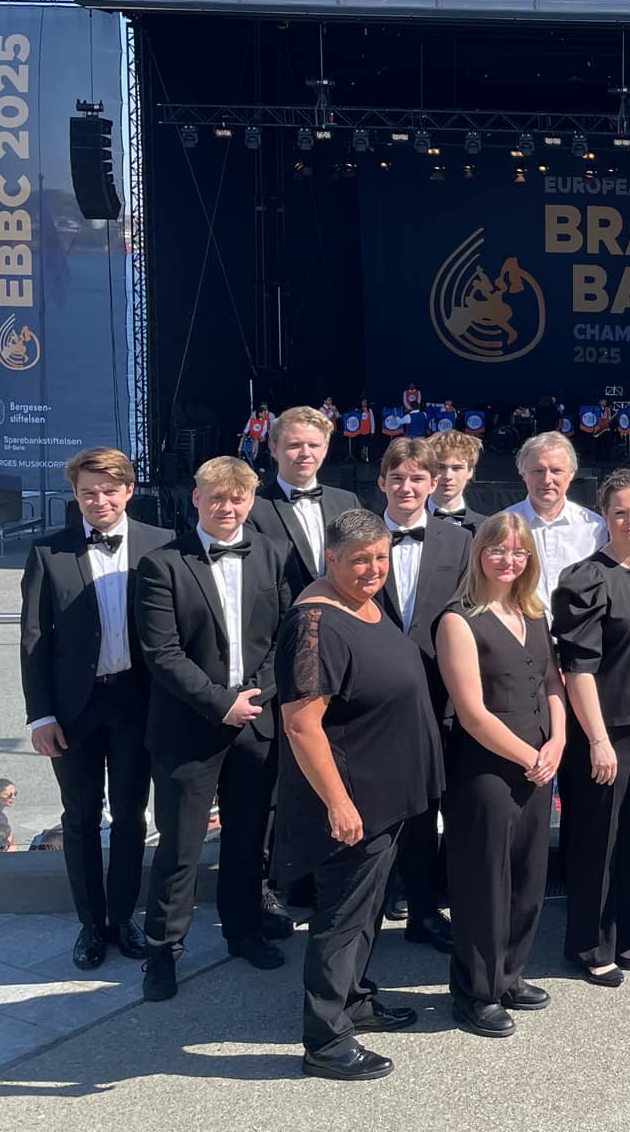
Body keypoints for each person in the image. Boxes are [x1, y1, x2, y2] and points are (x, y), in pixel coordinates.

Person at [277, 510, 445, 1079]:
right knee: (342, 916)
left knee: (368, 908)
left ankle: (353, 1000)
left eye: (380, 557)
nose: (374, 569)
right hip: (354, 802)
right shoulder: (315, 624)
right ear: (331, 560)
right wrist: (338, 802)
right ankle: (325, 1041)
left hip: (387, 795)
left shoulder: (363, 603)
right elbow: (302, 724)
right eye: (359, 560)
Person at [135, 456, 292, 1002]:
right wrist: (219, 703)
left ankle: (243, 931)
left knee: (248, 841)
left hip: (255, 724)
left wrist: (256, 697)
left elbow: (283, 638)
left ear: (250, 501)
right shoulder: (161, 565)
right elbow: (162, 652)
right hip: (188, 729)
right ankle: (162, 952)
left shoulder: (272, 554)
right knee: (179, 849)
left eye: (239, 499)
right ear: (196, 500)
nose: (228, 508)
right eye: (217, 498)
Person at [20, 446, 173, 969]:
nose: (99, 500)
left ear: (128, 490)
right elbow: (34, 639)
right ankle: (90, 924)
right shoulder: (48, 551)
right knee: (81, 817)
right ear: (76, 495)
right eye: (88, 492)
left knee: (131, 815)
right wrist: (40, 715)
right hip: (73, 710)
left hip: (137, 702)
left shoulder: (162, 544)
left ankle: (122, 917)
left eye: (109, 490)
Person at [435, 516, 563, 1037]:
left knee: (529, 876)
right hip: (485, 768)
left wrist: (557, 743)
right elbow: (470, 712)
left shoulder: (532, 612)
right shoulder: (457, 619)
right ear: (479, 554)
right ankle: (474, 990)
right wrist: (528, 755)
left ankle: (509, 975)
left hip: (538, 764)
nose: (508, 560)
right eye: (498, 551)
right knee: (483, 881)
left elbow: (553, 682)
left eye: (518, 551)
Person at [553, 472, 630, 984]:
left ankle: (623, 937)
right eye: (620, 512)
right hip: (605, 732)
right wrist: (598, 739)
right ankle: (589, 944)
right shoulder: (584, 577)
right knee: (597, 838)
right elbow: (576, 668)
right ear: (604, 517)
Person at [375, 437, 472, 952]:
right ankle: (374, 905)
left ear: (433, 485)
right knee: (383, 808)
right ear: (382, 483)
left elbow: (467, 619)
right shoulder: (359, 537)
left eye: (417, 479)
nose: (407, 487)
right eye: (398, 478)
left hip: (440, 698)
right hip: (374, 702)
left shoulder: (458, 544)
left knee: (436, 804)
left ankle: (426, 909)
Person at [248, 405, 357, 590]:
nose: (305, 453)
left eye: (313, 445)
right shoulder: (254, 509)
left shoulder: (348, 502)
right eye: (294, 445)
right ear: (274, 449)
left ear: (325, 449)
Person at [506, 431, 605, 609]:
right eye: (538, 470)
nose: (547, 479)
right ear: (523, 473)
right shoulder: (503, 526)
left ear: (571, 474)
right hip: (521, 632)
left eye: (556, 470)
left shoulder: (596, 528)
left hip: (580, 633)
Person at [427, 428, 485, 532]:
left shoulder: (486, 528)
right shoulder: (407, 522)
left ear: (470, 471)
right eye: (440, 467)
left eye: (457, 468)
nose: (448, 476)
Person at [240, 402, 273, 466]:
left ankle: (255, 461)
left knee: (257, 443)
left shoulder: (266, 420)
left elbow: (265, 430)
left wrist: (259, 436)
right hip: (252, 436)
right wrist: (244, 433)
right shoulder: (252, 419)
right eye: (263, 412)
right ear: (260, 413)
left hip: (261, 438)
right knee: (244, 440)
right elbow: (247, 427)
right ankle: (242, 455)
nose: (264, 414)